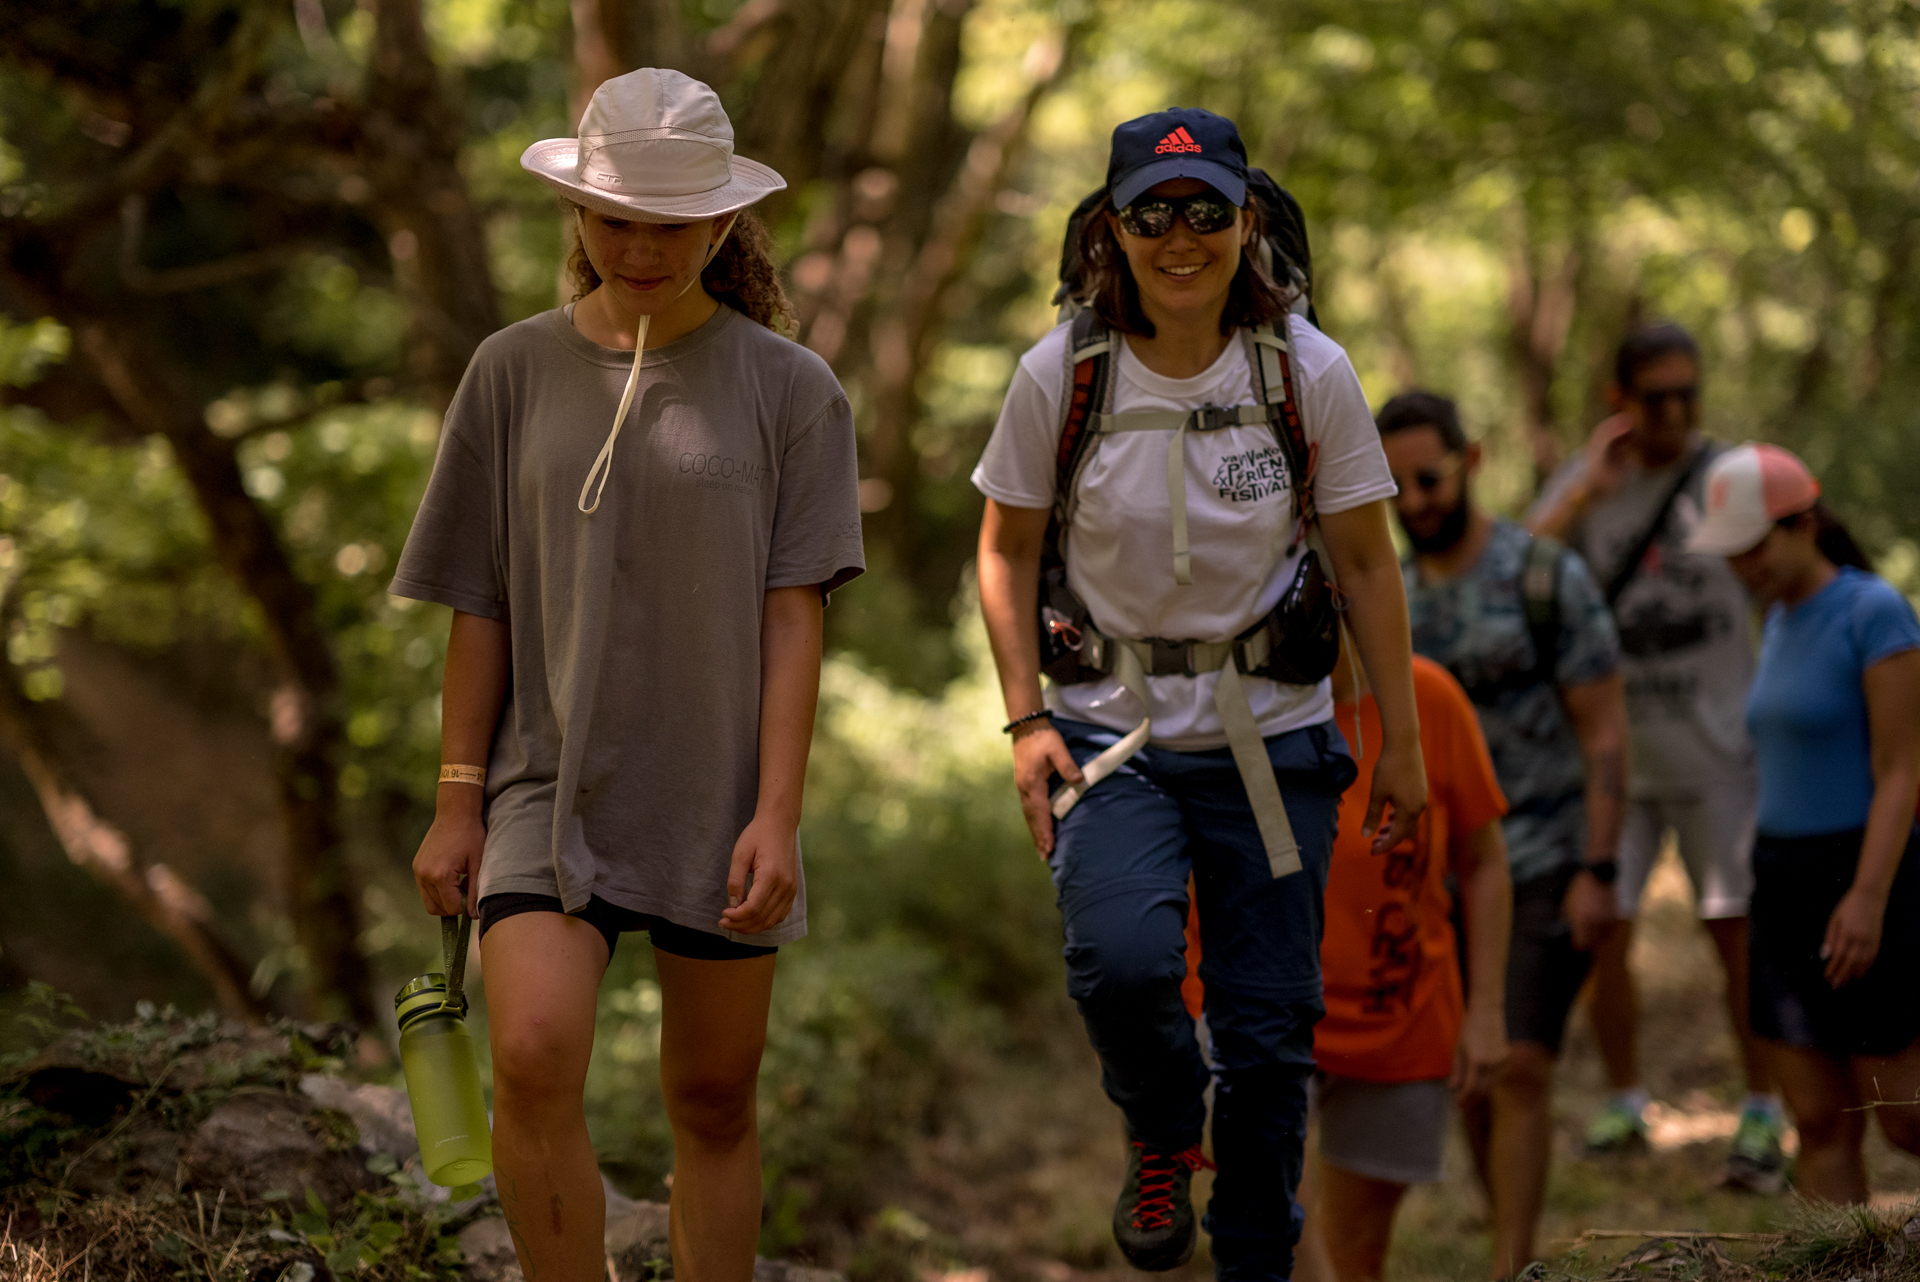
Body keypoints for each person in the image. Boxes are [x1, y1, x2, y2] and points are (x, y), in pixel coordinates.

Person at [392, 69, 864, 1282]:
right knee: (535, 1052)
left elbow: (794, 616)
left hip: (716, 795)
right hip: (543, 784)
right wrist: (457, 800)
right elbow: (479, 602)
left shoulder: (792, 391)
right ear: (576, 215)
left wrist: (777, 811)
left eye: (669, 222)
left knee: (712, 1101)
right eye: (615, 219)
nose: (640, 246)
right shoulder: (509, 371)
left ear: (721, 224)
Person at [974, 107, 1427, 1282]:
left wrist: (1403, 746)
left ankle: (1257, 1263)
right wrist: (1024, 720)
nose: (1180, 237)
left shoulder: (1307, 371)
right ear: (1109, 231)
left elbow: (1369, 562)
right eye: (1151, 214)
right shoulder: (1063, 369)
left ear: (1248, 219)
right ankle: (1164, 1125)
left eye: (1206, 211)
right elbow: (1005, 549)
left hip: (1273, 740)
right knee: (1120, 962)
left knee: (1271, 1040)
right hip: (1106, 734)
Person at [1378, 391, 1627, 1278]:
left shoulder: (1543, 577)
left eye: (1430, 477)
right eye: (1395, 484)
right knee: (1472, 1079)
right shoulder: (1386, 600)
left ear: (1471, 461)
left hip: (1541, 858)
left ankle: (1512, 1266)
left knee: (1519, 1062)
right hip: (1431, 883)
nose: (1414, 500)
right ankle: (1507, 1238)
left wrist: (1600, 867)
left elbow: (1604, 731)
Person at [1528, 322, 1782, 1186]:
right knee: (1607, 933)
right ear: (1621, 402)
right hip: (1618, 768)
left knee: (1738, 937)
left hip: (1723, 760)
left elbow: (1792, 571)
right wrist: (1583, 495)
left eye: (1688, 394)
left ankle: (1763, 1111)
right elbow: (1515, 575)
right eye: (1657, 396)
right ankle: (1626, 1097)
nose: (1674, 412)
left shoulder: (1730, 478)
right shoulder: (1589, 482)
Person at [1683, 443, 1920, 1204]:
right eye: (1732, 551)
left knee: (1906, 1116)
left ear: (1804, 523)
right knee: (1817, 1117)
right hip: (1783, 884)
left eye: (1755, 545)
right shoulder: (1776, 621)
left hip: (1866, 871)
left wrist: (1870, 895)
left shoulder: (1872, 610)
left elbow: (1902, 771)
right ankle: (1836, 1260)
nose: (1742, 564)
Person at [1269, 636, 1512, 1282]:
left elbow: (1484, 860)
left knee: (1355, 1251)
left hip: (1397, 1010)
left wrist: (1486, 1010)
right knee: (1278, 1221)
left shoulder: (1427, 698)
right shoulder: (1231, 704)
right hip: (1260, 1005)